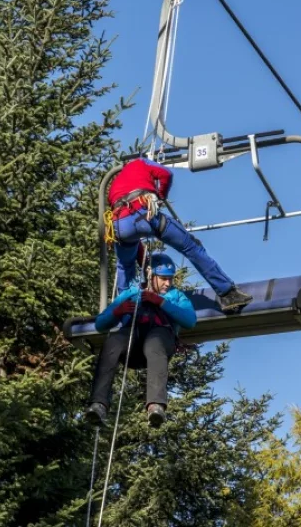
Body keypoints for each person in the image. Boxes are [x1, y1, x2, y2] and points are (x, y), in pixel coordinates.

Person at [107, 156, 252, 313]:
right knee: (191, 246)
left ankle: (124, 310)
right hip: (144, 212)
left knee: (124, 265)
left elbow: (133, 231)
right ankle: (228, 294)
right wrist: (161, 195)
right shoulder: (140, 162)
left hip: (119, 225)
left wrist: (145, 262)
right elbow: (166, 174)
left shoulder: (114, 184)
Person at [85, 253, 196, 428]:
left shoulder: (176, 296)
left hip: (160, 340)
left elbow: (190, 320)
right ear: (151, 275)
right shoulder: (132, 293)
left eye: (170, 279)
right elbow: (100, 324)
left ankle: (156, 405)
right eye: (163, 279)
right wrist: (117, 312)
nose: (168, 283)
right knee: (113, 342)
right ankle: (98, 404)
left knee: (155, 342)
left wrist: (160, 302)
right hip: (133, 344)